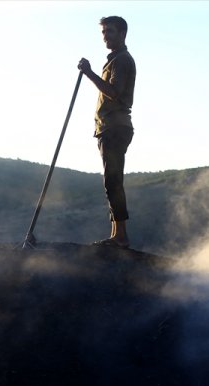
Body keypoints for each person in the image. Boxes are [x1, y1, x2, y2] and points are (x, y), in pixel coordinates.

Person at [78, 15, 136, 248]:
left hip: (115, 126)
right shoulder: (115, 59)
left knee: (113, 179)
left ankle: (120, 236)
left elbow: (113, 92)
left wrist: (89, 73)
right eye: (103, 32)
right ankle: (116, 233)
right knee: (111, 180)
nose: (105, 36)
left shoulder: (121, 60)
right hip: (109, 127)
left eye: (110, 31)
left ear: (122, 33)